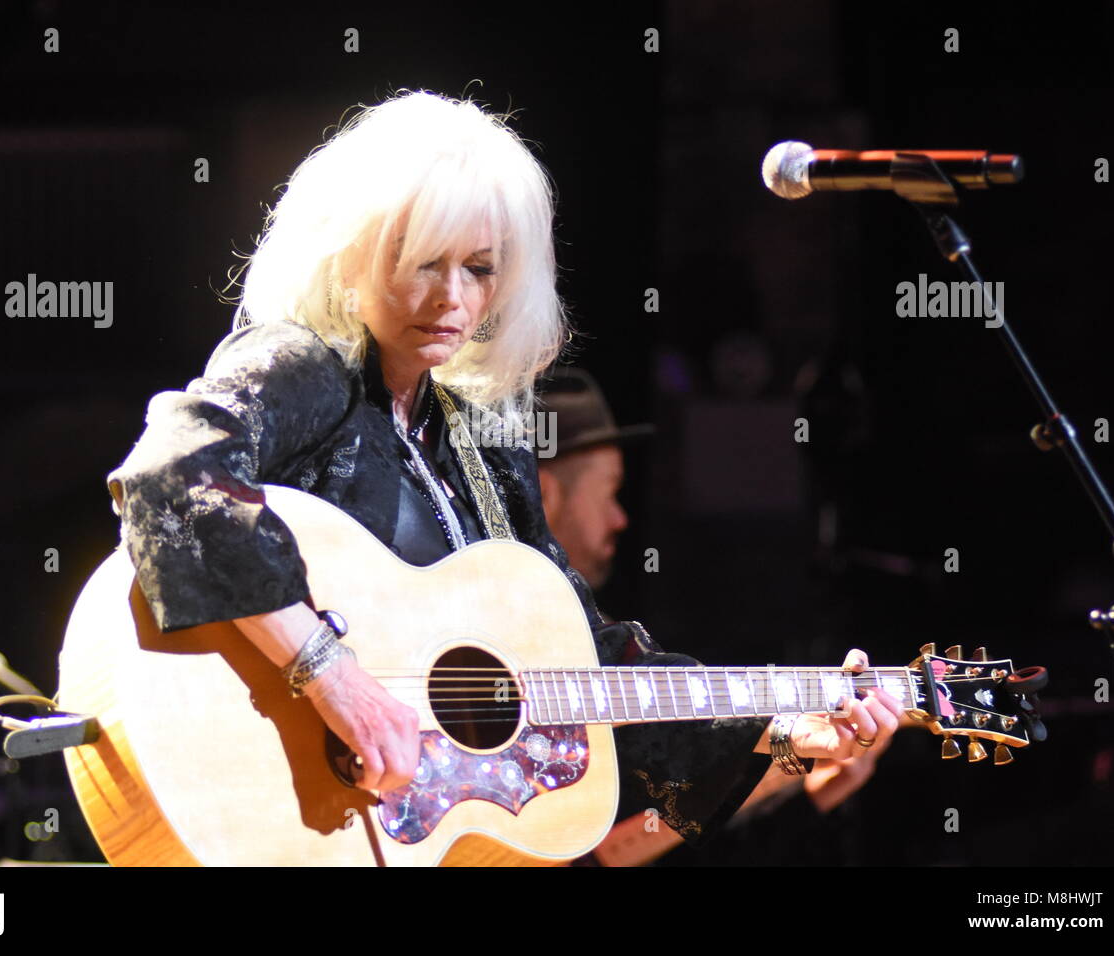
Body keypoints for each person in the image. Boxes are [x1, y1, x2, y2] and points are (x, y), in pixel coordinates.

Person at [105, 89, 903, 851]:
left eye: (480, 270)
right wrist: (331, 675)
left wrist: (789, 728)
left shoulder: (481, 431)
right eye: (423, 261)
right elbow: (170, 475)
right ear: (350, 257)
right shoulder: (306, 367)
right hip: (278, 794)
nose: (452, 297)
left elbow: (583, 661)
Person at [535, 369, 895, 864]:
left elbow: (628, 845)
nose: (621, 518)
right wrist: (786, 760)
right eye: (610, 491)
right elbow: (592, 857)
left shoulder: (602, 649)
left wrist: (795, 777)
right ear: (544, 494)